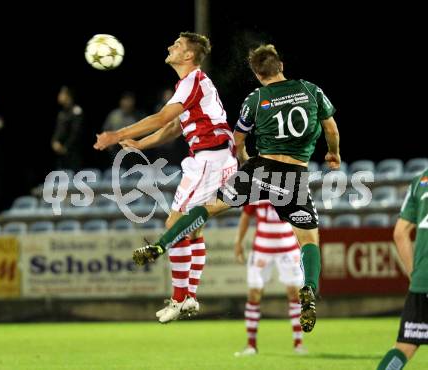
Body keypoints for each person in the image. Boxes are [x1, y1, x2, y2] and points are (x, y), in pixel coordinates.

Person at [132, 44, 341, 333]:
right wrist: (333, 154)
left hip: (261, 168)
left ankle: (161, 245)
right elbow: (330, 128)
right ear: (280, 65)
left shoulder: (255, 98)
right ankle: (309, 290)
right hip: (294, 176)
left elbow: (238, 140)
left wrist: (245, 167)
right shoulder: (310, 89)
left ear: (257, 73)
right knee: (308, 239)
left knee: (207, 208)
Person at [94, 32, 238, 323]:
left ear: (188, 56)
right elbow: (173, 127)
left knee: (174, 224)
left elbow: (160, 118)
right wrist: (141, 144)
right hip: (214, 157)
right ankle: (190, 298)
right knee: (193, 228)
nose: (170, 46)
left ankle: (178, 298)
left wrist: (118, 135)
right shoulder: (192, 85)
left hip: (210, 159)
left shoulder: (193, 81)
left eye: (177, 45)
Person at [233, 200, 306, 356]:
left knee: (295, 293)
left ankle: (298, 343)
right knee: (254, 293)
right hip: (261, 249)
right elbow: (246, 215)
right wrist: (238, 242)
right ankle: (251, 345)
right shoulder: (256, 187)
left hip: (288, 249)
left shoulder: (291, 185)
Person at [376, 168, 428, 370]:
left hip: (423, 279)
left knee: (405, 345)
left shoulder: (420, 180)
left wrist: (415, 276)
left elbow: (400, 233)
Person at [102, 91, 146, 165]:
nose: (128, 103)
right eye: (126, 100)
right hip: (116, 150)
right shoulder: (114, 115)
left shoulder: (139, 116)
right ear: (121, 102)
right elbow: (105, 131)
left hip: (133, 151)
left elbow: (145, 132)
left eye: (130, 101)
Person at [51, 86, 84, 171]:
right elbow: (58, 131)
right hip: (61, 153)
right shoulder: (61, 113)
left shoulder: (76, 111)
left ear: (68, 96)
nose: (59, 96)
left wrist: (66, 148)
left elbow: (76, 133)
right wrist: (54, 142)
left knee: (74, 177)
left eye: (62, 93)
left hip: (72, 154)